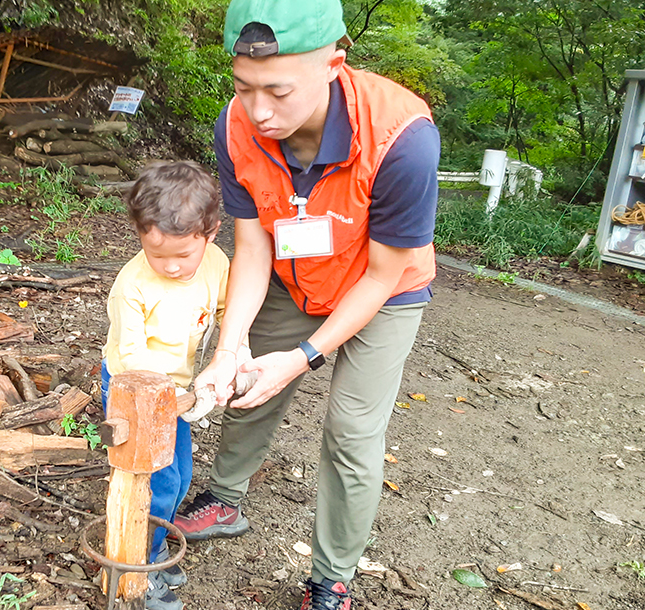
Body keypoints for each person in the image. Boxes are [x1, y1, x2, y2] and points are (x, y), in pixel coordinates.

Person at [172, 1, 441, 609]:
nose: (259, 111)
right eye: (243, 88)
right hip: (295, 276)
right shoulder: (237, 126)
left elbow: (380, 276)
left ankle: (332, 576)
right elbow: (252, 242)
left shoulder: (403, 138)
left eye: (278, 91)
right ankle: (224, 499)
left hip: (383, 287)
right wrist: (231, 342)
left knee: (352, 431)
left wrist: (302, 357)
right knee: (242, 379)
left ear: (333, 64)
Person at [102, 160, 232, 610]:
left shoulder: (216, 263)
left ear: (210, 234)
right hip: (135, 390)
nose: (172, 267)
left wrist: (230, 355)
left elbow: (225, 313)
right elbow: (132, 360)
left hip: (177, 392)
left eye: (183, 256)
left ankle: (155, 545)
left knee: (180, 477)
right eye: (158, 255)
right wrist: (174, 399)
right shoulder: (132, 286)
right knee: (155, 480)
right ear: (140, 235)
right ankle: (140, 565)